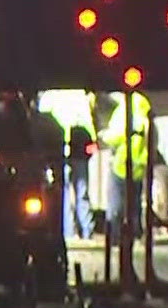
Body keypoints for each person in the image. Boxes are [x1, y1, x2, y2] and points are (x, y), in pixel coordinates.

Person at [36, 89, 95, 242]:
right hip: (79, 149)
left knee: (64, 193)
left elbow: (42, 124)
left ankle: (69, 232)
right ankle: (87, 231)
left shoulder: (49, 96)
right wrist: (92, 144)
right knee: (81, 192)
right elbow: (87, 122)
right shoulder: (79, 94)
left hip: (59, 149)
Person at [100, 91, 152, 236]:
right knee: (134, 204)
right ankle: (135, 233)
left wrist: (105, 136)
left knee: (116, 202)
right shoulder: (145, 115)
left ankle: (114, 236)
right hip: (139, 165)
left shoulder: (124, 111)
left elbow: (117, 135)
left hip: (121, 164)